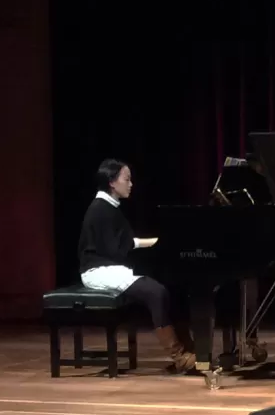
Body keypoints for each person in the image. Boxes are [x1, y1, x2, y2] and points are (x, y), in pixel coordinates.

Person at [77, 158, 197, 373]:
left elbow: (125, 243)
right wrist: (153, 248)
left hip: (111, 266)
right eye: (127, 179)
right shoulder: (100, 209)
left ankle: (190, 348)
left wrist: (158, 242)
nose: (131, 184)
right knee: (155, 292)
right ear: (112, 182)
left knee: (170, 288)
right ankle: (178, 356)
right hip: (97, 271)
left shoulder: (109, 206)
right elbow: (116, 250)